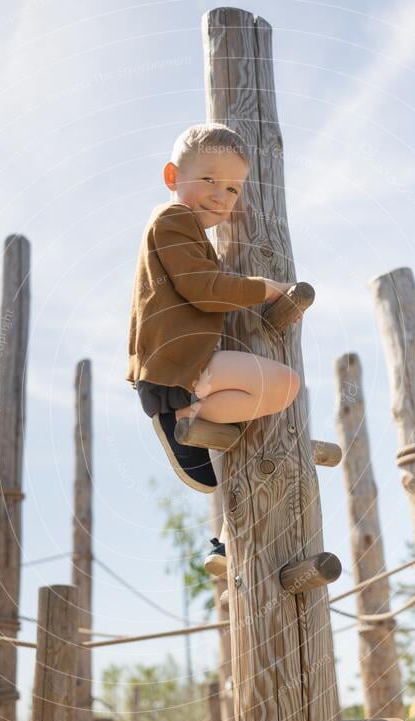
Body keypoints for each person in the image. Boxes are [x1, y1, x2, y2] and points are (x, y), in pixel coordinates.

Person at [125, 122, 301, 494]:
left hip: (186, 367)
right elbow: (203, 289)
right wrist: (265, 288)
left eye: (233, 188)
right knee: (283, 383)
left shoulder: (190, 233)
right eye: (208, 179)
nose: (221, 196)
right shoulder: (172, 220)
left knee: (252, 418)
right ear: (172, 176)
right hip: (176, 368)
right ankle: (183, 418)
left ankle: (225, 537)